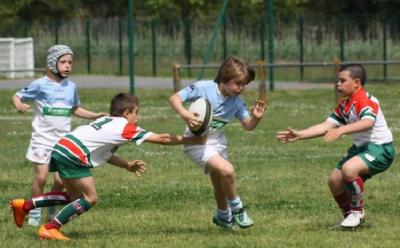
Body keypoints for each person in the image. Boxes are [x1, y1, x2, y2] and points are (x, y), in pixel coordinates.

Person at [10, 92, 206, 240]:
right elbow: (162, 138)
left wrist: (128, 165)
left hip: (63, 147)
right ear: (126, 113)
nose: (138, 118)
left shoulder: (106, 121)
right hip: (74, 154)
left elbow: (105, 154)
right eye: (136, 113)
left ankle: (25, 205)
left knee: (73, 198)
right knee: (90, 198)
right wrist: (193, 140)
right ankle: (50, 228)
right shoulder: (124, 126)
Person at [276, 63, 395, 229]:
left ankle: (357, 213)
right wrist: (300, 134)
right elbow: (326, 126)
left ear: (357, 83)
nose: (337, 84)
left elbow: (368, 122)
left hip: (380, 148)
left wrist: (342, 130)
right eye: (337, 80)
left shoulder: (364, 99)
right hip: (362, 148)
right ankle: (348, 218)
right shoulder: (345, 105)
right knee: (335, 181)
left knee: (348, 169)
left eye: (342, 80)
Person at [11, 45, 108, 226]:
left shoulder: (71, 87)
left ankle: (52, 209)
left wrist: (95, 115)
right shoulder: (40, 84)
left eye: (70, 62)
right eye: (63, 62)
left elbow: (75, 109)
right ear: (52, 63)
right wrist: (18, 104)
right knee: (41, 177)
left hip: (63, 142)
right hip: (42, 139)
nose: (68, 66)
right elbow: (17, 95)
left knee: (61, 181)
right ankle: (33, 212)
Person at [169, 56, 266, 229]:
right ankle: (238, 210)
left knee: (220, 183)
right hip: (197, 142)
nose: (241, 88)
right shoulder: (203, 87)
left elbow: (248, 126)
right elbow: (174, 98)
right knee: (228, 171)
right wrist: (185, 114)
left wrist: (256, 119)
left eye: (244, 84)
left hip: (218, 142)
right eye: (238, 83)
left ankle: (223, 216)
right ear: (224, 77)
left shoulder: (236, 102)